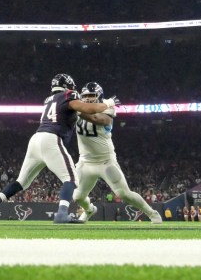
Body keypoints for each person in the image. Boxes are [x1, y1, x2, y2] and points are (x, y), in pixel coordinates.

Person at [0, 73, 113, 224]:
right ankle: (62, 214)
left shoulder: (48, 100)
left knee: (21, 182)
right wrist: (108, 103)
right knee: (71, 179)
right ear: (67, 87)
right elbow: (89, 109)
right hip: (51, 139)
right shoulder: (68, 95)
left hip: (36, 139)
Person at [69, 82, 162, 224]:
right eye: (85, 96)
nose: (87, 99)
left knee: (123, 193)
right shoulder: (80, 108)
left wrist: (77, 110)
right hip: (85, 161)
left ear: (99, 97)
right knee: (78, 197)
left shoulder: (107, 108)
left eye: (91, 96)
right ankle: (89, 210)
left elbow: (97, 119)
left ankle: (152, 213)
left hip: (105, 161)